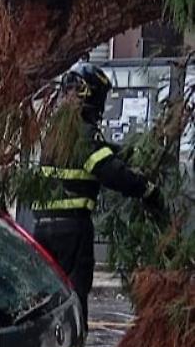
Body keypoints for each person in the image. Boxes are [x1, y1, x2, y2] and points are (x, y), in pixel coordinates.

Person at [30, 62, 165, 326]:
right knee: (76, 293)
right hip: (73, 229)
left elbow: (100, 152)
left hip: (44, 229)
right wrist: (148, 190)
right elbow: (111, 173)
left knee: (51, 295)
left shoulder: (57, 131)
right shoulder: (84, 132)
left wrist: (128, 151)